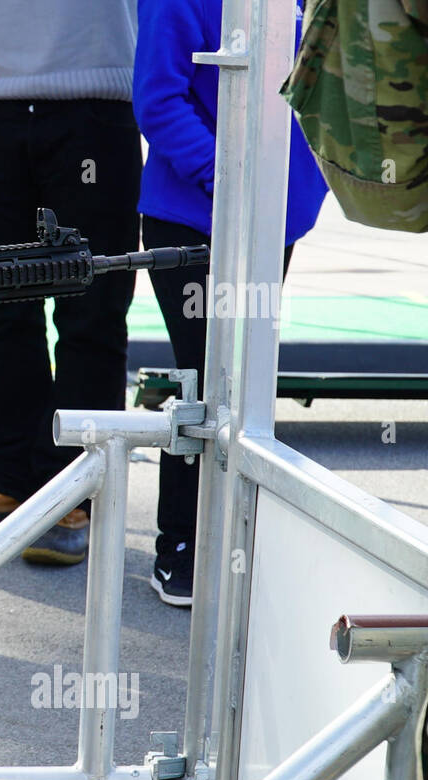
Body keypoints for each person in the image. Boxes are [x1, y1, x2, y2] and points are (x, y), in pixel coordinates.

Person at [0, 0, 144, 564]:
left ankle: (77, 493)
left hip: (96, 105)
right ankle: (12, 483)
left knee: (92, 309)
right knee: (0, 310)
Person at [135, 0, 325, 606]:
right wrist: (229, 174)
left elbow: (323, 96)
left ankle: (240, 540)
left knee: (246, 385)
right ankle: (181, 547)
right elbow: (158, 99)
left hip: (271, 215)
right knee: (204, 379)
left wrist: (301, 191)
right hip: (191, 217)